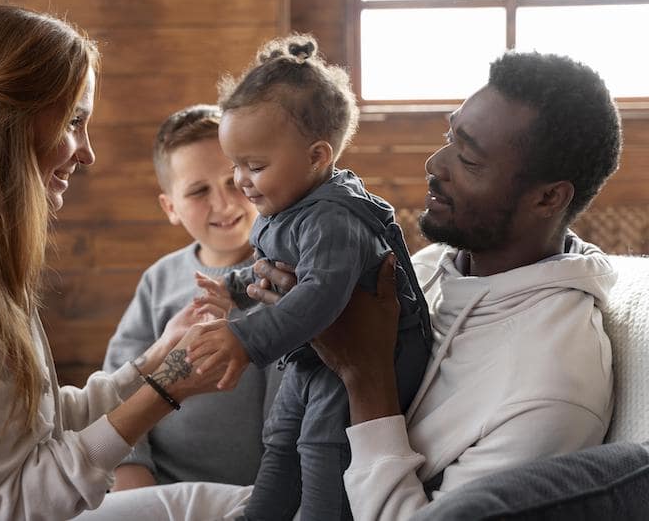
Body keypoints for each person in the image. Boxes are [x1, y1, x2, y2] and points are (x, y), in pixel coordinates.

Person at [98, 51, 622, 521]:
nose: (434, 166)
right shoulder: (441, 263)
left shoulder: (553, 385)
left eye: (468, 159)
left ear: (549, 198)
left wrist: (362, 373)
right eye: (448, 138)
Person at [0, 5, 230, 521]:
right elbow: (7, 505)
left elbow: (36, 425)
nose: (88, 153)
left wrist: (155, 363)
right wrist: (166, 390)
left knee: (211, 504)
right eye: (75, 121)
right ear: (2, 124)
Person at [188, 34, 433, 520]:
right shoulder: (291, 205)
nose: (241, 180)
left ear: (318, 156)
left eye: (255, 166)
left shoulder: (333, 220)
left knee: (322, 441)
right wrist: (234, 288)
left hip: (365, 356)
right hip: (315, 354)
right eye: (236, 165)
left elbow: (320, 295)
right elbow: (274, 268)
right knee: (281, 436)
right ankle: (263, 511)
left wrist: (247, 338)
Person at [103, 104, 281, 490]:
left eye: (234, 180)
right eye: (199, 191)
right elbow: (119, 383)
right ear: (171, 207)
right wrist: (132, 476)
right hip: (159, 488)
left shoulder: (281, 277)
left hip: (254, 493)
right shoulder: (160, 281)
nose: (225, 203)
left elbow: (291, 405)